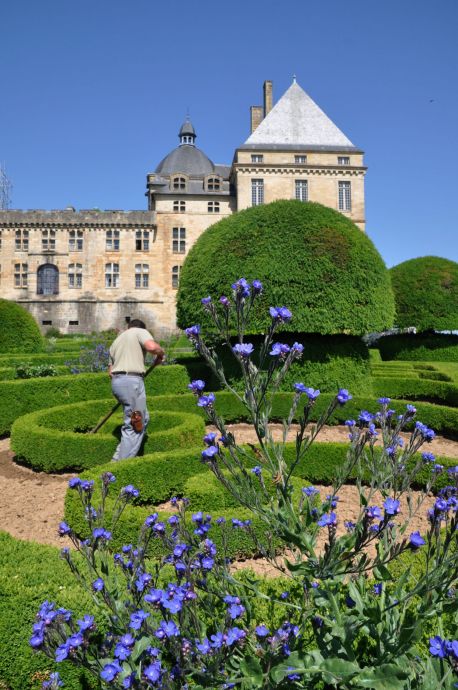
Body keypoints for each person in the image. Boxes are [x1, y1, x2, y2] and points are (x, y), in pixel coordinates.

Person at [108, 319, 164, 461]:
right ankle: (121, 467)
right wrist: (161, 353)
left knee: (139, 420)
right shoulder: (140, 331)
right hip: (132, 382)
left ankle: (116, 461)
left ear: (128, 327)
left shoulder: (116, 341)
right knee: (135, 425)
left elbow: (110, 371)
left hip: (117, 382)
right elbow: (151, 347)